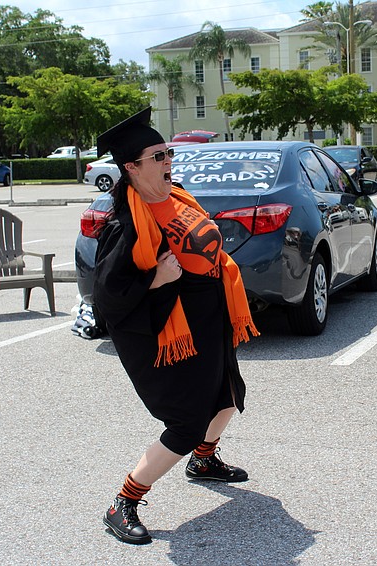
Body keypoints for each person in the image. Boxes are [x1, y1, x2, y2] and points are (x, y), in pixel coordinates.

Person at [92, 107, 259, 545]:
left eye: (169, 152)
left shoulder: (178, 195)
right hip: (164, 328)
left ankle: (203, 460)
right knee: (186, 423)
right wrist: (155, 279)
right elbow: (107, 299)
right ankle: (123, 502)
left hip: (208, 313)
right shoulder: (126, 227)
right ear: (131, 167)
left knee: (227, 395)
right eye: (158, 155)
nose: (169, 161)